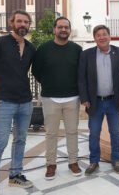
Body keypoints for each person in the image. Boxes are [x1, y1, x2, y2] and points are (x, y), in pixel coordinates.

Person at [0, 10, 36, 195]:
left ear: (29, 25)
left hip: (25, 101)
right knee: (0, 142)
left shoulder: (30, 48)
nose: (23, 24)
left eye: (26, 22)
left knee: (20, 140)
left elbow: (26, 71)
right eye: (19, 21)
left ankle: (15, 175)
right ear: (12, 23)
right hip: (4, 101)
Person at [32, 17, 83, 180]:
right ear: (54, 29)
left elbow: (81, 73)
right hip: (50, 98)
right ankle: (51, 164)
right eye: (60, 27)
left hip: (72, 98)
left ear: (69, 30)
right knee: (51, 133)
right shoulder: (44, 49)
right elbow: (36, 71)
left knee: (72, 132)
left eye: (66, 27)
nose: (63, 30)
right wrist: (50, 83)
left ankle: (73, 161)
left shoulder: (77, 49)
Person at [78, 25, 119, 175]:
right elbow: (81, 79)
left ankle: (116, 160)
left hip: (113, 101)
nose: (102, 37)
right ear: (95, 38)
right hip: (95, 102)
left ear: (109, 36)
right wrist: (84, 98)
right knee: (94, 133)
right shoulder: (86, 55)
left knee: (115, 132)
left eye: (104, 34)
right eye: (98, 35)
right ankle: (94, 161)